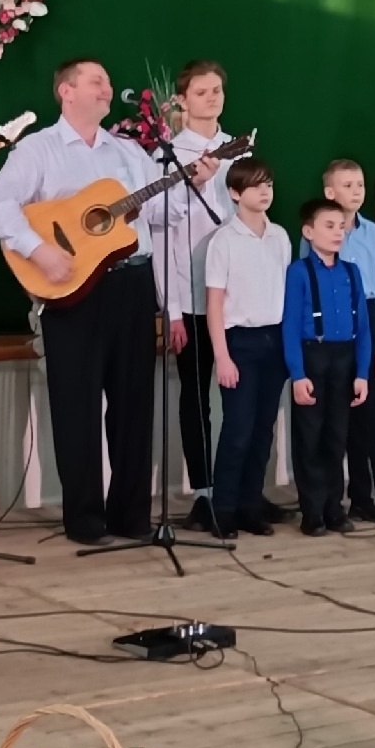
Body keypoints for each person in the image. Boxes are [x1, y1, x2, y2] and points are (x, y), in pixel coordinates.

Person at [0, 59, 167, 545]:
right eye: (96, 81)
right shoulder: (37, 149)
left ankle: (131, 517)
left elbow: (163, 212)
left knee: (134, 405)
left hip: (133, 283)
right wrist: (39, 250)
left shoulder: (128, 151)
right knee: (75, 405)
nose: (108, 87)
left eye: (108, 80)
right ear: (66, 91)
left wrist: (198, 178)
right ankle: (85, 520)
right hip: (71, 288)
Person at [144, 60, 234, 526]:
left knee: (239, 398)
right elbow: (163, 236)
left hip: (237, 298)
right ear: (182, 100)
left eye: (217, 90)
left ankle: (237, 487)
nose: (212, 98)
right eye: (201, 92)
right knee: (196, 397)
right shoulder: (168, 155)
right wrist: (172, 309)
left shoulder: (237, 148)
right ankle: (204, 491)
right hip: (193, 296)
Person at [204, 158, 288, 537]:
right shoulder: (223, 240)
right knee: (238, 428)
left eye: (268, 184)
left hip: (275, 340)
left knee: (262, 430)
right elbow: (215, 305)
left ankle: (250, 505)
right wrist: (222, 356)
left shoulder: (280, 237)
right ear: (235, 193)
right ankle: (223, 508)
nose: (265, 191)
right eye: (255, 186)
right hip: (240, 341)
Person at [286, 196, 372, 537]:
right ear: (309, 232)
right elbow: (291, 326)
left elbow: (363, 327)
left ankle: (334, 508)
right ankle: (312, 511)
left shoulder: (352, 272)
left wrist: (362, 373)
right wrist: (297, 374)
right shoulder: (299, 272)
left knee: (337, 436)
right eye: (329, 226)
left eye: (341, 227)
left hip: (344, 358)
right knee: (310, 436)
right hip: (313, 356)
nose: (338, 233)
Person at [325, 160, 375, 524]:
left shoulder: (373, 233)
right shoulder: (320, 231)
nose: (356, 191)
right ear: (330, 192)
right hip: (334, 321)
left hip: (367, 317)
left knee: (365, 416)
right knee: (334, 417)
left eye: (360, 184)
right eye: (347, 185)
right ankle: (329, 499)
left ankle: (362, 496)